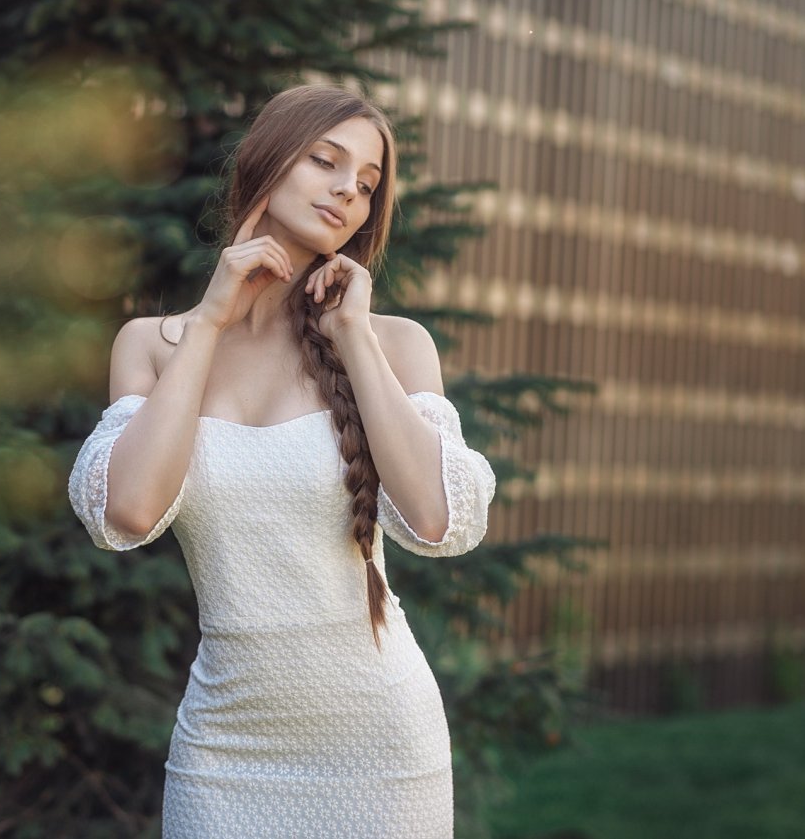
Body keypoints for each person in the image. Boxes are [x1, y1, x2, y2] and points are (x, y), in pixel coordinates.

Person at [67, 84, 496, 839]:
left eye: (366, 185)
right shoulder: (152, 344)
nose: (346, 192)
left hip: (382, 748)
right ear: (265, 163)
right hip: (223, 751)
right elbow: (126, 511)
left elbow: (436, 521)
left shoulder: (395, 344)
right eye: (326, 162)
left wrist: (354, 338)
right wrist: (208, 323)